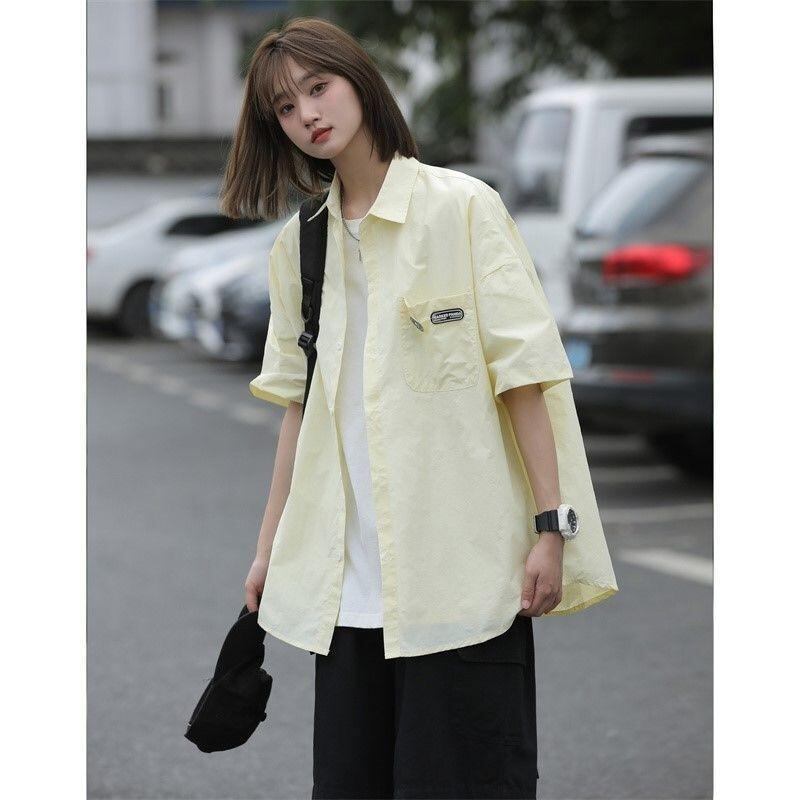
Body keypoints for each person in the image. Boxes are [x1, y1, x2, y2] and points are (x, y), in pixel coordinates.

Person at [219, 17, 617, 800]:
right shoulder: (301, 244)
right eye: (285, 107)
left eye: (317, 88)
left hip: (463, 580)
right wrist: (268, 550)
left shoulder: (462, 208)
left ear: (359, 81)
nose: (307, 114)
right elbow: (299, 412)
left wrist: (551, 528)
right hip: (346, 591)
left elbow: (524, 378)